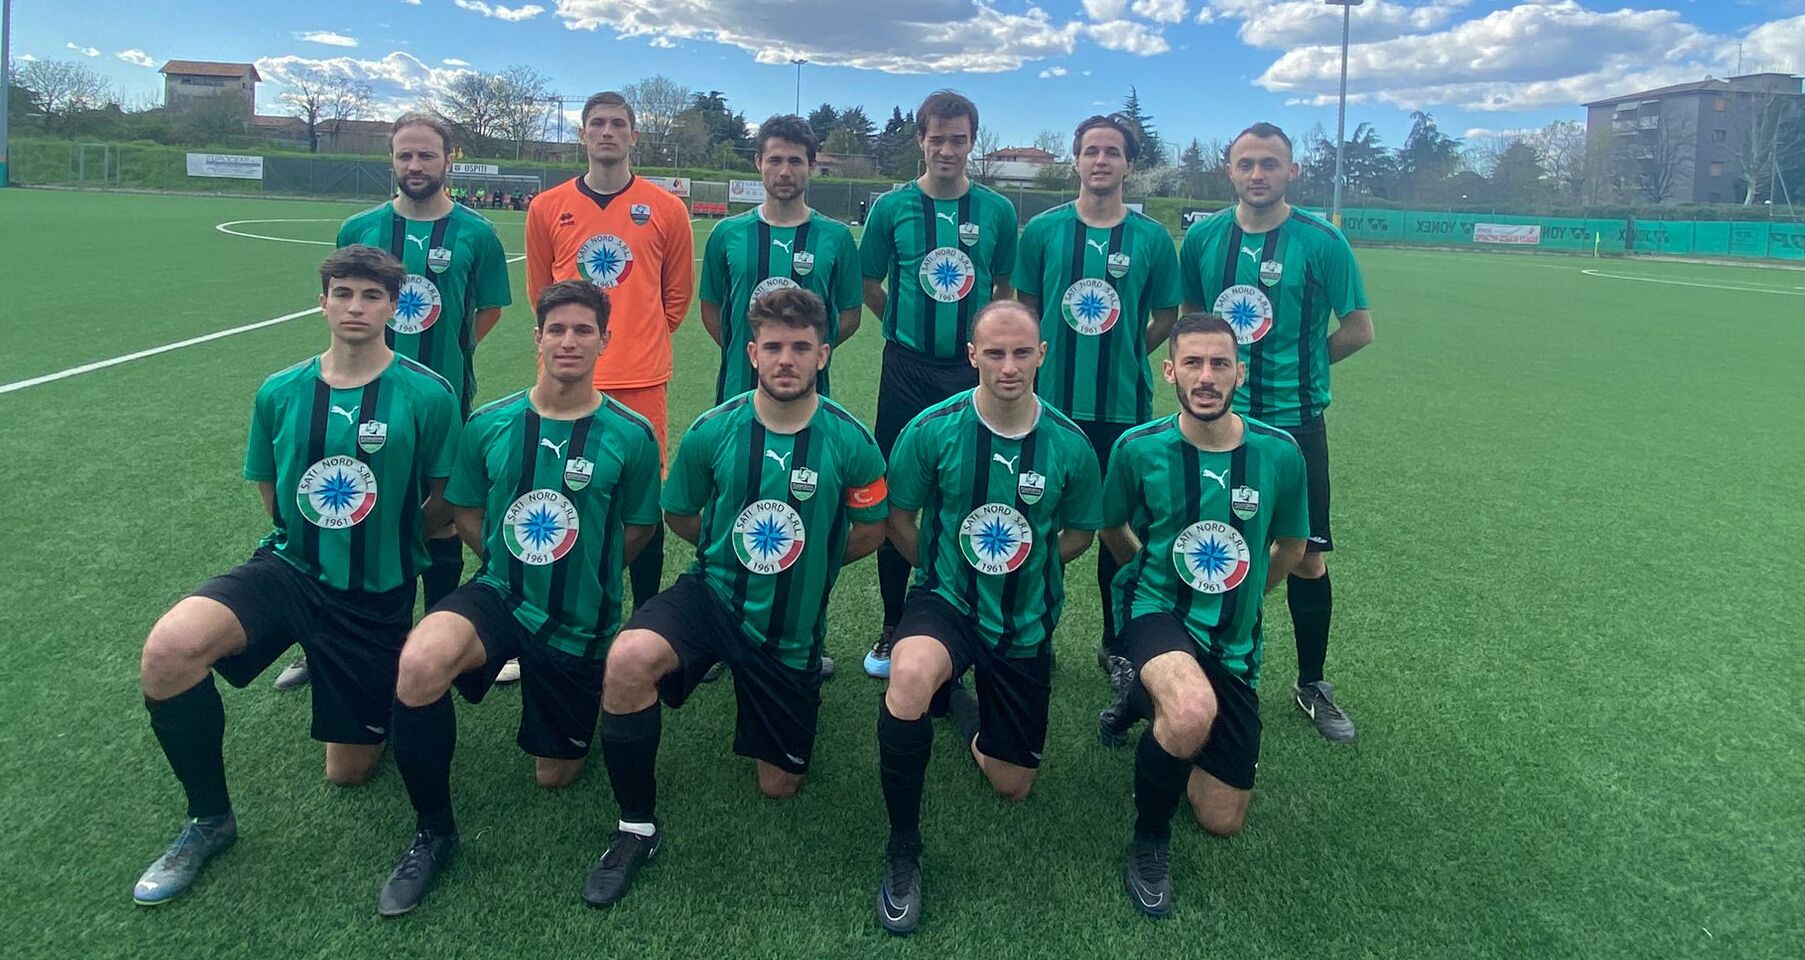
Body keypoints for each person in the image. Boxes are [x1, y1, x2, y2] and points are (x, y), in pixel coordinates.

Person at [131, 247, 461, 905]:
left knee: (348, 773)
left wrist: (384, 542)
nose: (355, 307)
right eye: (343, 293)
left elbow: (444, 499)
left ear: (393, 307)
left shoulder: (428, 394)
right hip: (289, 568)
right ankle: (208, 820)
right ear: (323, 302)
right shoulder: (281, 391)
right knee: (169, 650)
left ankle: (373, 688)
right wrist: (315, 539)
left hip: (373, 594)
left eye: (371, 295)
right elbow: (273, 491)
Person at [584, 287, 888, 907]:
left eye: (800, 347)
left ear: (823, 354)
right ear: (751, 354)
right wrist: (735, 554)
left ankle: (795, 682)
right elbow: (679, 513)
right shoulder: (713, 429)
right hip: (714, 594)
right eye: (772, 347)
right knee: (629, 657)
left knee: (779, 785)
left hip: (791, 625)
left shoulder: (850, 439)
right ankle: (636, 827)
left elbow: (873, 528)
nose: (786, 359)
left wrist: (809, 568)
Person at [374, 280, 662, 915]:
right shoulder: (489, 423)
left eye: (583, 330)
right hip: (500, 593)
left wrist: (586, 571)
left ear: (605, 341)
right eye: (557, 329)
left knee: (554, 776)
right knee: (421, 659)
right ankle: (432, 833)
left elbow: (640, 527)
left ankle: (569, 704)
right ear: (537, 338)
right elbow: (464, 509)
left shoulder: (633, 434)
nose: (568, 341)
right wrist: (512, 562)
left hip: (581, 617)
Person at [872, 300, 1102, 935]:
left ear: (1041, 355)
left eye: (1021, 352)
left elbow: (1081, 533)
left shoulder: (1070, 444)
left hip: (1025, 616)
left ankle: (961, 706)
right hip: (946, 601)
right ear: (972, 355)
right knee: (910, 673)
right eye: (994, 353)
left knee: (1012, 783)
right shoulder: (932, 429)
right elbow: (898, 518)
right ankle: (902, 850)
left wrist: (1020, 568)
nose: (1008, 366)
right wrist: (944, 571)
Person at [275, 114, 514, 693]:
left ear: (449, 159)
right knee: (344, 515)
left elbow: (486, 310)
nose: (415, 166)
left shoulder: (477, 233)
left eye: (426, 155)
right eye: (405, 155)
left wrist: (442, 360)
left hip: (440, 402)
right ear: (392, 159)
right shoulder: (360, 227)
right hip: (354, 397)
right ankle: (324, 641)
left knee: (442, 516)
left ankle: (441, 645)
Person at [1162, 121, 1374, 743]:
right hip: (1213, 421)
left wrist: (1307, 367)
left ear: (1292, 171)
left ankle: (1312, 684)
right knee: (1193, 541)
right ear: (1229, 169)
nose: (1258, 174)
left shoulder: (1321, 240)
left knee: (1304, 554)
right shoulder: (1204, 239)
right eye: (1247, 163)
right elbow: (1191, 324)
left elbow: (1358, 328)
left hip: (1293, 423)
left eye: (1271, 164)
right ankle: (1179, 669)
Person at [1106, 313, 1309, 918]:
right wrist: (1151, 575)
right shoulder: (1137, 448)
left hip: (1234, 640)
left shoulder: (1280, 453)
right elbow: (1112, 528)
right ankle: (1149, 842)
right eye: (1192, 363)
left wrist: (1243, 597)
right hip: (1157, 612)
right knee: (1192, 709)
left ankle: (1144, 700)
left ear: (1240, 373)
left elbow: (1291, 547)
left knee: (1222, 819)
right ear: (1170, 371)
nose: (1206, 376)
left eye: (1220, 363)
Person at [1012, 113, 1180, 718]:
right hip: (1050, 407)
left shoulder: (1152, 239)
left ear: (1129, 164)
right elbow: (1026, 312)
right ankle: (1032, 632)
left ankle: (1117, 645)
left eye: (1112, 152)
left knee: (1117, 529)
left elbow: (1165, 316)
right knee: (1038, 519)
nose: (1101, 161)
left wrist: (1130, 350)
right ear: (1076, 160)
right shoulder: (1043, 231)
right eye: (1091, 151)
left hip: (1122, 409)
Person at [860, 89, 1018, 679]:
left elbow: (1003, 289)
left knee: (972, 491)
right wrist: (904, 327)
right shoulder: (890, 208)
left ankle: (974, 618)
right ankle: (893, 622)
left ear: (972, 142)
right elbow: (870, 283)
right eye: (937, 138)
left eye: (958, 139)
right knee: (898, 493)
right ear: (920, 140)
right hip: (906, 368)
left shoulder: (997, 212)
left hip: (968, 372)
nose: (947, 149)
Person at [525, 90, 694, 616]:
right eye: (597, 123)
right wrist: (576, 347)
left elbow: (675, 298)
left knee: (641, 503)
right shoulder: (546, 207)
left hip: (640, 378)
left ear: (633, 136)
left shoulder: (667, 209)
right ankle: (554, 606)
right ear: (582, 134)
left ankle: (646, 618)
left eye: (618, 124)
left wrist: (636, 335)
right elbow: (542, 296)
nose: (607, 132)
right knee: (559, 492)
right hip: (567, 379)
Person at [700, 114, 862, 405]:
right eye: (775, 160)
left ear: (811, 165)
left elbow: (850, 315)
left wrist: (805, 350)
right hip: (738, 391)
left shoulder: (837, 237)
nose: (785, 171)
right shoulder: (726, 233)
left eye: (795, 161)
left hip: (810, 395)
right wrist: (752, 348)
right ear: (758, 162)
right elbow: (711, 309)